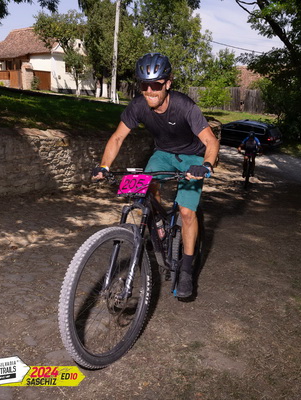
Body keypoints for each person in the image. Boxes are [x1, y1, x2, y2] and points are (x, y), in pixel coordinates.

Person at [92, 52, 219, 298]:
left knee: (186, 212)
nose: (149, 91)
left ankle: (186, 270)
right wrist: (104, 166)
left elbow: (211, 141)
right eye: (144, 85)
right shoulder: (138, 106)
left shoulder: (184, 106)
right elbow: (117, 137)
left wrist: (205, 165)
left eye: (156, 85)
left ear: (168, 83)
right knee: (142, 190)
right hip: (162, 154)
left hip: (193, 158)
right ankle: (159, 225)